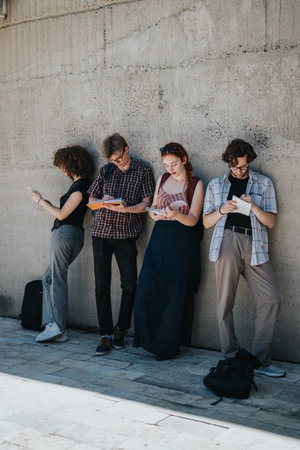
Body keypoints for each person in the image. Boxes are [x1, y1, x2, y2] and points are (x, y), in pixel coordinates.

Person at [203, 139, 285, 377]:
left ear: (249, 162)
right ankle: (231, 356)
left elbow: (270, 222)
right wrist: (222, 210)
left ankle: (260, 362)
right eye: (235, 167)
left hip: (255, 243)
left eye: (243, 167)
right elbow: (206, 223)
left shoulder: (263, 183)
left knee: (271, 300)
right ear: (228, 163)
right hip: (227, 240)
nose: (239, 171)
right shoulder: (217, 185)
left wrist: (252, 207)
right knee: (224, 303)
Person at [133, 143, 204, 361]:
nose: (170, 168)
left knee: (175, 294)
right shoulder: (162, 180)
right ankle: (149, 339)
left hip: (183, 242)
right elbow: (153, 209)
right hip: (160, 238)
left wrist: (175, 215)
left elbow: (193, 219)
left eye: (174, 163)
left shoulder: (196, 184)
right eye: (166, 165)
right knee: (147, 288)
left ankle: (168, 346)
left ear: (184, 158)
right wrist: (157, 214)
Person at [88, 133, 155, 356]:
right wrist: (103, 203)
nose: (116, 163)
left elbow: (147, 204)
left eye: (118, 158)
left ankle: (121, 330)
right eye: (112, 160)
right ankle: (105, 334)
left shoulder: (143, 171)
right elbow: (91, 201)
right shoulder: (105, 170)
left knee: (130, 285)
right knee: (101, 285)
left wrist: (125, 209)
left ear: (127, 149)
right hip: (101, 232)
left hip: (126, 235)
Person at [32, 146, 94, 343]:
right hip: (69, 234)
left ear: (71, 164)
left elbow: (61, 214)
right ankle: (54, 325)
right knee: (48, 278)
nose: (61, 170)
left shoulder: (81, 187)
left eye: (62, 166)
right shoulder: (78, 186)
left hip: (66, 234)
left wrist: (40, 200)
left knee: (56, 278)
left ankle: (57, 326)